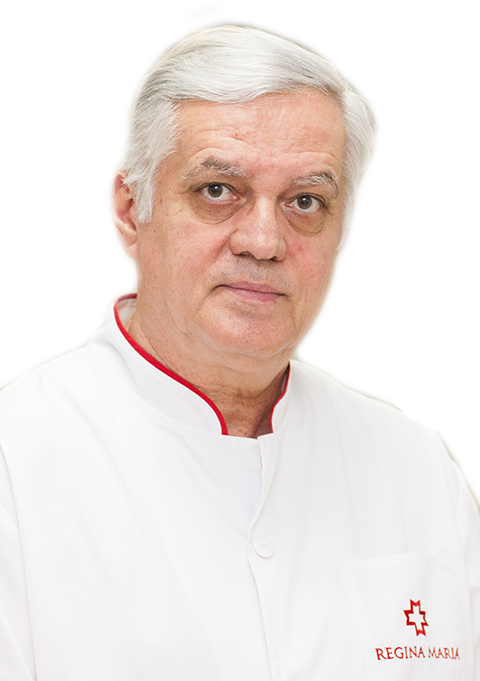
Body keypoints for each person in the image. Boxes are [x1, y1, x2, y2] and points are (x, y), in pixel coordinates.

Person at [0, 24, 478, 681]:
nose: (263, 240)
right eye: (218, 191)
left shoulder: (416, 469)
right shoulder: (16, 467)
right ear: (129, 210)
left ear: (343, 232)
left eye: (305, 201)